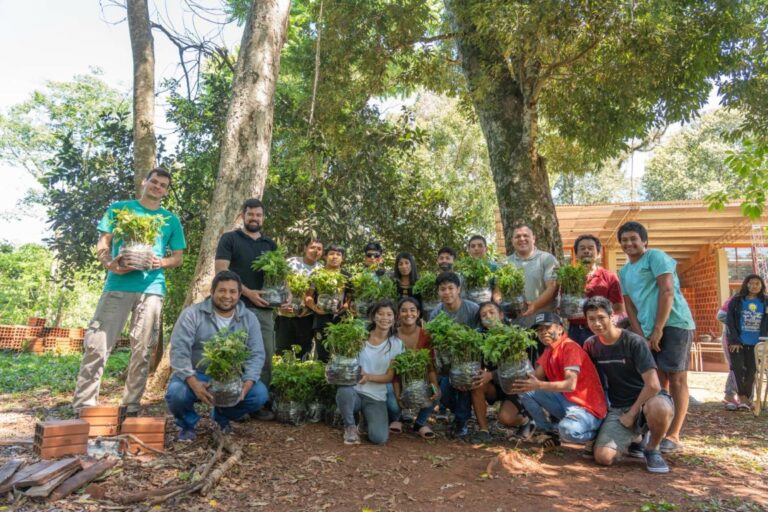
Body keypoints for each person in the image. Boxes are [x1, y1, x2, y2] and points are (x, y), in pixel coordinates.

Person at [73, 168, 186, 415]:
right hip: (118, 285)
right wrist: (109, 263)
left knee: (143, 349)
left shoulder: (170, 220)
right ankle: (84, 405)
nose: (157, 187)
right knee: (97, 344)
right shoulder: (119, 209)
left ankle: (131, 406)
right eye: (153, 182)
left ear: (166, 191)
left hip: (152, 289)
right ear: (144, 182)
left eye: (163, 185)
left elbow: (177, 257)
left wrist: (161, 262)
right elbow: (104, 242)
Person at [618, 221, 695, 453]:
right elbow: (629, 304)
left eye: (634, 238)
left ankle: (674, 434)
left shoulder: (656, 257)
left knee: (677, 379)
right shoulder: (624, 271)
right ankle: (655, 432)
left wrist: (659, 328)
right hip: (647, 330)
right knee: (657, 382)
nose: (629, 243)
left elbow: (667, 290)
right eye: (624, 240)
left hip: (673, 325)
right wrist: (641, 334)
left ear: (644, 241)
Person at [165, 271, 268, 440]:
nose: (227, 296)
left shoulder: (249, 318)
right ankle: (187, 425)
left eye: (232, 291)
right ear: (212, 292)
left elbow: (256, 355)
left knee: (259, 395)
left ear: (240, 294)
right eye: (222, 290)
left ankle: (222, 416)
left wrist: (246, 385)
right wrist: (194, 383)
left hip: (232, 377)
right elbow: (179, 351)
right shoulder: (192, 314)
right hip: (196, 373)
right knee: (177, 394)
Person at [583, 296, 675, 473]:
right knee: (603, 457)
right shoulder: (591, 345)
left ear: (612, 317)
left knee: (659, 408)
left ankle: (652, 448)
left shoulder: (634, 342)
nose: (597, 323)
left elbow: (654, 385)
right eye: (591, 319)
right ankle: (637, 439)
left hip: (649, 400)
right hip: (619, 406)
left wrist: (632, 414)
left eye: (601, 317)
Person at [215, 198, 283, 421]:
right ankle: (234, 403)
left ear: (263, 218)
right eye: (251, 214)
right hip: (234, 308)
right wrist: (248, 292)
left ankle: (257, 404)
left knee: (263, 356)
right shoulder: (230, 239)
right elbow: (221, 272)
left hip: (264, 310)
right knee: (233, 355)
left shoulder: (270, 245)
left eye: (258, 215)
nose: (254, 218)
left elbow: (279, 275)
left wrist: (287, 292)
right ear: (243, 215)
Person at [513, 312, 607, 452]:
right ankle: (549, 434)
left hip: (586, 408)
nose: (543, 332)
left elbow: (570, 385)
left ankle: (596, 435)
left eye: (547, 327)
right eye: (539, 330)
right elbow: (534, 377)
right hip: (566, 401)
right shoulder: (549, 350)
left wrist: (539, 385)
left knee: (567, 430)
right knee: (527, 391)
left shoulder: (570, 347)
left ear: (560, 329)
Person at [337, 300, 404, 445]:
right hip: (355, 390)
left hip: (375, 396)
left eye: (389, 314)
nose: (384, 318)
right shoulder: (359, 337)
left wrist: (368, 377)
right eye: (380, 314)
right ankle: (350, 426)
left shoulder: (397, 345)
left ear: (394, 318)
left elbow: (390, 377)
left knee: (379, 438)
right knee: (344, 390)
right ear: (374, 317)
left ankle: (366, 419)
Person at [469, 302, 533, 444]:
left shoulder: (515, 335)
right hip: (497, 385)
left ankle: (527, 420)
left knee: (505, 419)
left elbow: (518, 370)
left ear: (501, 315)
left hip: (516, 386)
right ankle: (484, 430)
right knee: (477, 384)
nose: (488, 316)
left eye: (492, 312)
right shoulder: (480, 339)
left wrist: (491, 375)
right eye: (484, 315)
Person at [429, 272, 479, 438]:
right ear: (438, 292)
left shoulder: (472, 309)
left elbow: (481, 334)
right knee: (443, 395)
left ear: (458, 289)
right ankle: (461, 413)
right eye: (443, 289)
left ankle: (462, 421)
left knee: (462, 386)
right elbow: (432, 339)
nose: (447, 292)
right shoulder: (436, 313)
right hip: (446, 363)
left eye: (451, 288)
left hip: (468, 362)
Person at [393, 297, 440, 439]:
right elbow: (391, 368)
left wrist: (435, 386)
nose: (409, 314)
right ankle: (397, 418)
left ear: (418, 313)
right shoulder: (392, 335)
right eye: (404, 311)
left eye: (413, 310)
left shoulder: (425, 335)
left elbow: (430, 365)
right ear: (398, 314)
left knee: (436, 394)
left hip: (418, 380)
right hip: (395, 379)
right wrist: (397, 393)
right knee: (392, 399)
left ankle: (419, 423)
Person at [567, 234, 624, 345]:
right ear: (576, 254)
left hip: (601, 330)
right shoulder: (569, 276)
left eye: (590, 248)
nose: (586, 251)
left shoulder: (609, 277)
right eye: (582, 249)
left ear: (598, 254)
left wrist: (599, 312)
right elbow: (565, 306)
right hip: (575, 330)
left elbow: (619, 307)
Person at [725, 274, 768, 411]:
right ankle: (743, 398)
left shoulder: (766, 301)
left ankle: (745, 399)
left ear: (761, 286)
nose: (754, 286)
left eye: (757, 283)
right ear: (746, 284)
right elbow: (730, 322)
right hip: (739, 342)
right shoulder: (736, 301)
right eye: (751, 283)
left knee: (751, 371)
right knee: (738, 369)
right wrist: (734, 340)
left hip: (758, 344)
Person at [275, 237, 324, 357]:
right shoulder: (291, 262)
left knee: (304, 351)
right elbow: (278, 286)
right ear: (305, 248)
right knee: (282, 350)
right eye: (312, 247)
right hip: (286, 315)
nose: (315, 251)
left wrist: (308, 308)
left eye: (319, 249)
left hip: (306, 318)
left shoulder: (321, 269)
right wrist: (280, 306)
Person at [506, 223, 559, 328]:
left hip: (544, 323)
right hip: (516, 323)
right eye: (517, 236)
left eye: (526, 235)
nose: (522, 239)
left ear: (533, 238)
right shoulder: (506, 263)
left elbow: (552, 288)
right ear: (512, 241)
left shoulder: (547, 259)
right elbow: (499, 291)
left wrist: (534, 305)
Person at [306, 244, 350, 361]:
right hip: (321, 320)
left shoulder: (347, 276)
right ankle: (321, 378)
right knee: (322, 354)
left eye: (338, 254)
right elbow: (308, 296)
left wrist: (345, 306)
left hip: (340, 320)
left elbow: (351, 297)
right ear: (325, 256)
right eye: (331, 254)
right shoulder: (316, 275)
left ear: (342, 258)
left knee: (340, 353)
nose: (334, 257)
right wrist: (315, 308)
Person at [716, 297, 739, 408]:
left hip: (753, 339)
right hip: (732, 338)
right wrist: (739, 321)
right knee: (735, 366)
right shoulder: (735, 299)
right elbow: (721, 315)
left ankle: (745, 397)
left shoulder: (762, 300)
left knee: (750, 368)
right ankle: (730, 395)